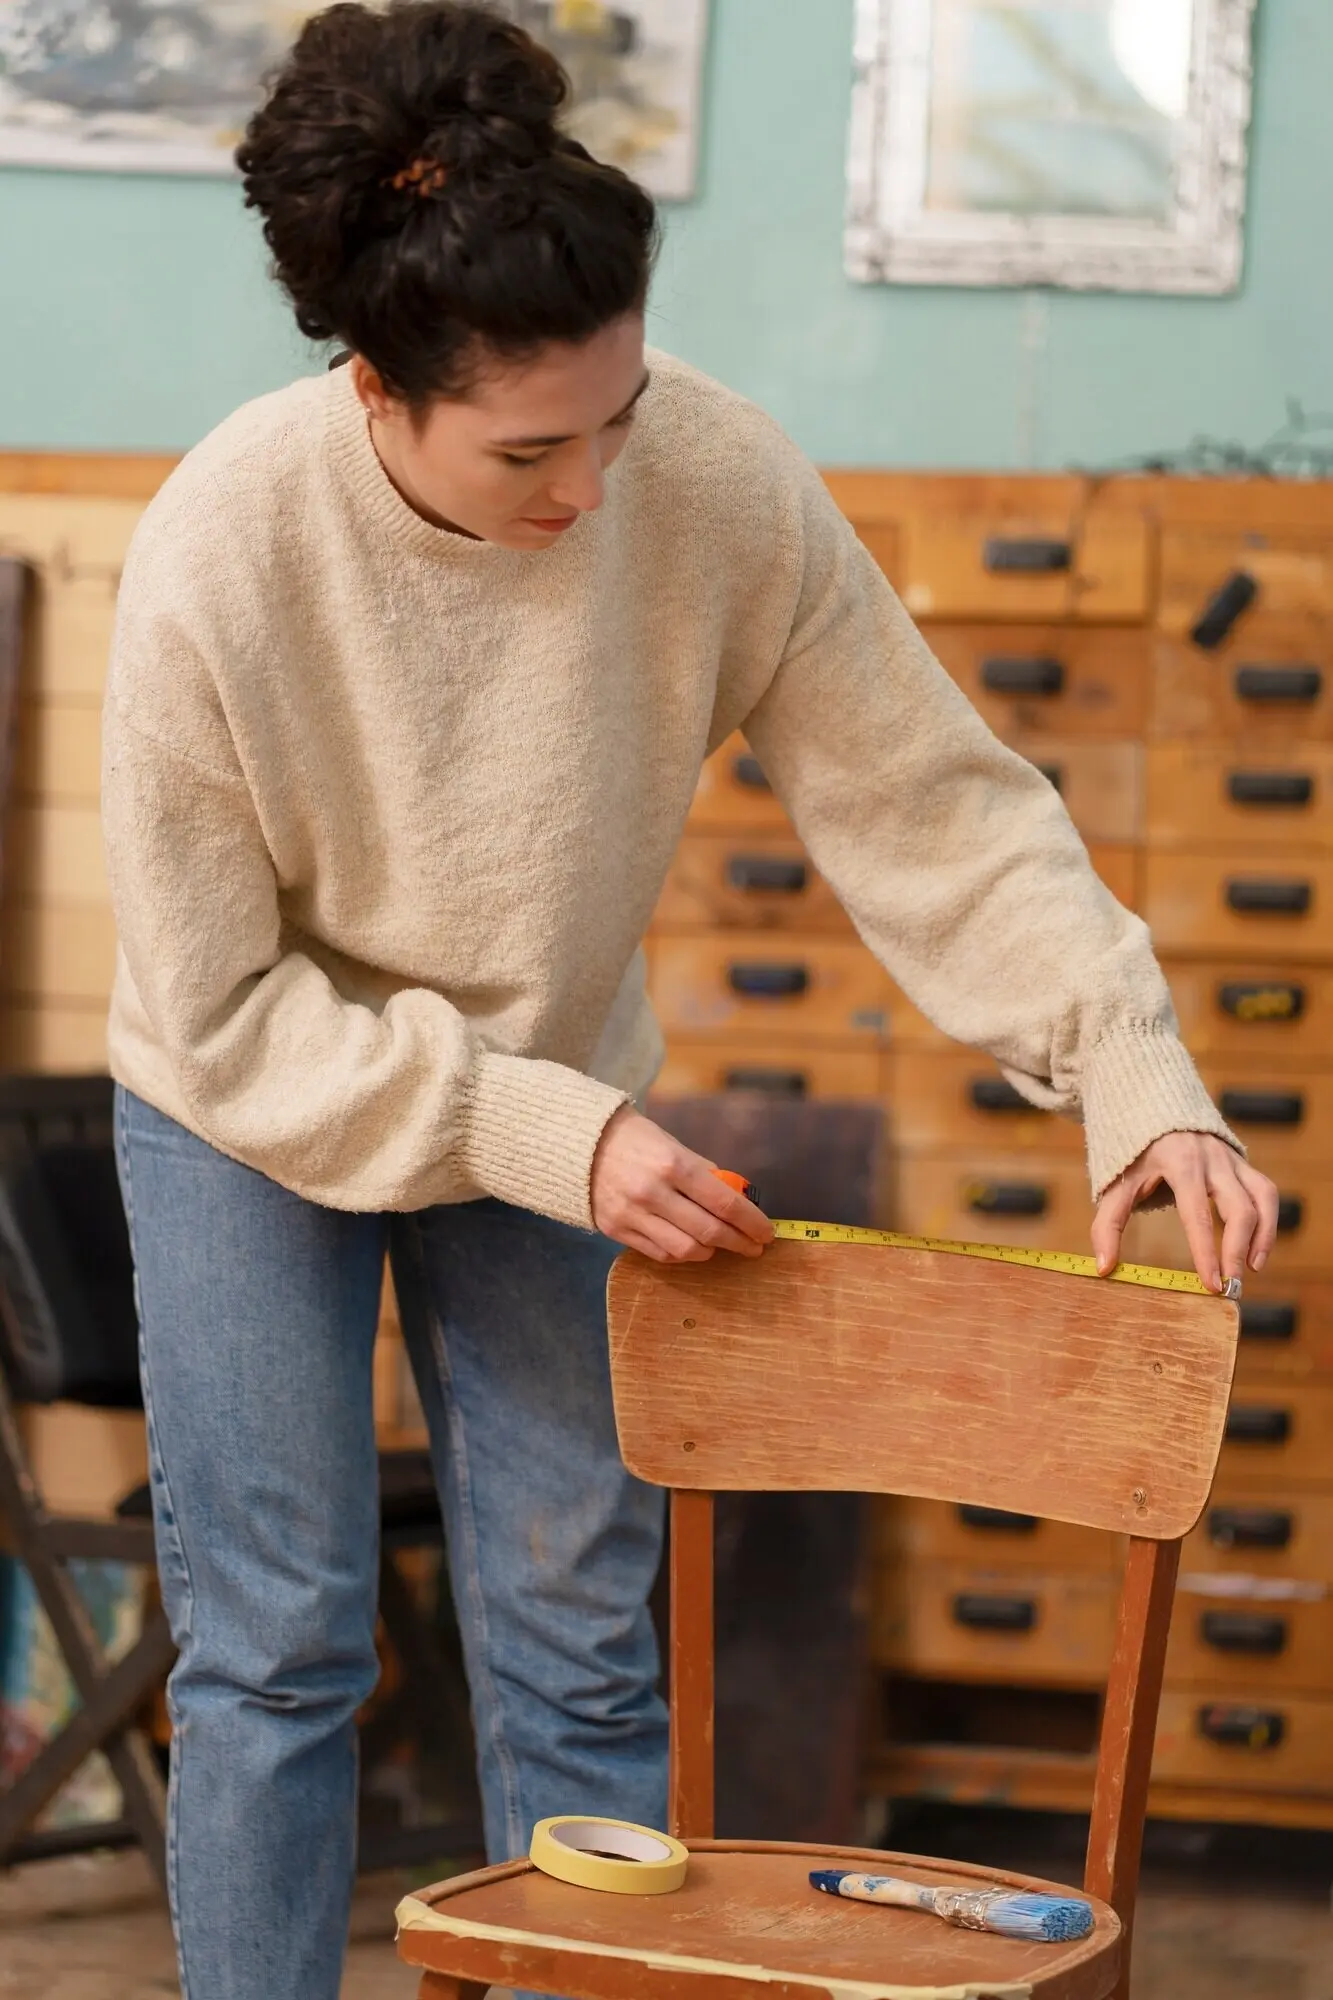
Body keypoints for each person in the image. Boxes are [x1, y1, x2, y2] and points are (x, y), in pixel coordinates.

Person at [101, 4, 1277, 1995]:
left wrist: (1131, 1068)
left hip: (555, 1104)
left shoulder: (711, 480)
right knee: (282, 1641)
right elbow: (225, 1014)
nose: (593, 487)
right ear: (374, 391)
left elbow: (940, 807)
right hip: (255, 1101)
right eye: (531, 448)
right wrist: (561, 1130)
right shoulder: (225, 543)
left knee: (579, 1635)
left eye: (622, 413)